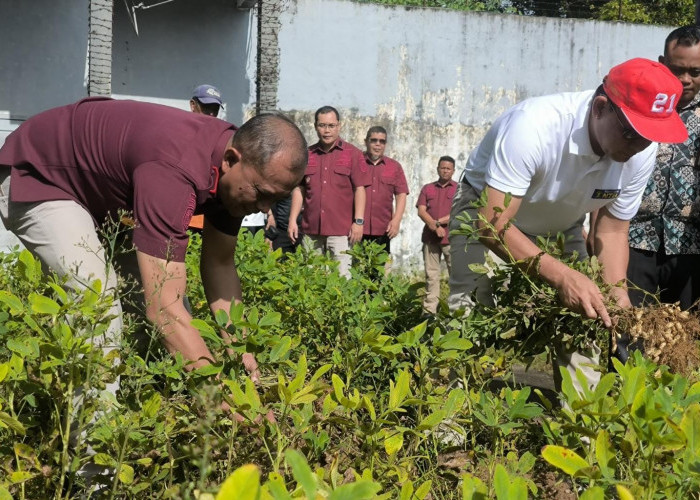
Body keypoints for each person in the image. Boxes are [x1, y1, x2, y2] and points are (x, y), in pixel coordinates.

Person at [0, 98, 307, 379]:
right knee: (98, 304)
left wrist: (240, 349)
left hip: (106, 198)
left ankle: (147, 409)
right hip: (41, 175)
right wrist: (223, 400)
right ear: (230, 159)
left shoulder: (240, 177)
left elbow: (219, 264)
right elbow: (164, 308)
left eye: (276, 200)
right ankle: (96, 435)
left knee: (166, 315)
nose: (264, 208)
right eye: (262, 195)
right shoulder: (176, 169)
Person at [447, 58, 687, 391]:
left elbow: (612, 230)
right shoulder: (534, 126)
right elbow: (492, 222)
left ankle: (581, 425)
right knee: (469, 310)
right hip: (485, 215)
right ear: (601, 107)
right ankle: (447, 421)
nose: (640, 147)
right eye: (632, 134)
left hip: (561, 226)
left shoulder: (640, 150)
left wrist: (617, 294)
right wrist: (562, 275)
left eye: (650, 136)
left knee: (588, 315)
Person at [627, 26, 700, 311]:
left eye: (695, 72)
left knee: (683, 342)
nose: (685, 80)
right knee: (627, 336)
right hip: (635, 239)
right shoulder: (637, 107)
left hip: (690, 246)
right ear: (661, 63)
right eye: (677, 69)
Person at [287, 106, 370, 278]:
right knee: (311, 280)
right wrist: (293, 220)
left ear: (339, 126)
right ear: (315, 126)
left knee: (342, 280)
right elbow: (299, 189)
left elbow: (360, 189)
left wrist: (359, 222)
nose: (326, 131)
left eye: (331, 126)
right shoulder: (307, 154)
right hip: (311, 231)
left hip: (341, 231)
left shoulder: (352, 154)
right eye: (322, 125)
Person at [417, 156, 457, 314]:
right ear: (437, 168)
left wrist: (439, 223)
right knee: (431, 275)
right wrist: (434, 227)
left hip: (452, 238)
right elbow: (421, 210)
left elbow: (458, 211)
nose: (445, 171)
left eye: (448, 168)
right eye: (442, 168)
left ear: (453, 170)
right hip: (430, 239)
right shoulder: (428, 188)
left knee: (455, 275)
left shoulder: (459, 189)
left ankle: (455, 310)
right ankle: (429, 312)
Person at [361, 126, 408, 257]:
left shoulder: (394, 167)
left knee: (379, 271)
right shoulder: (356, 163)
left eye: (382, 141)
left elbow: (401, 194)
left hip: (383, 228)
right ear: (366, 142)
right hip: (358, 228)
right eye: (374, 140)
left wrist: (396, 221)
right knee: (356, 269)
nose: (378, 144)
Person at [188, 84, 224, 232]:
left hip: (211, 217)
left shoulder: (221, 137)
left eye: (214, 110)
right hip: (186, 217)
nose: (211, 115)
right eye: (206, 108)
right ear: (192, 105)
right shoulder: (182, 134)